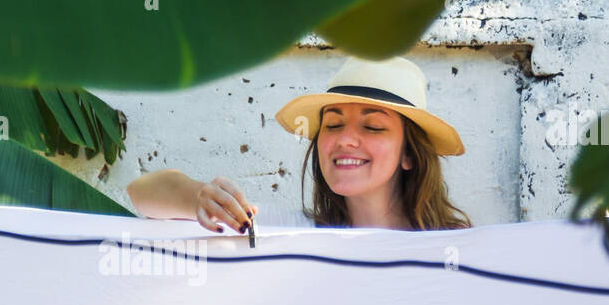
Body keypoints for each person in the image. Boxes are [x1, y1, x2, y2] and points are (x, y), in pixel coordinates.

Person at [126, 56, 472, 232]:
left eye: (373, 127)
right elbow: (142, 193)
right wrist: (199, 197)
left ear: (409, 153)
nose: (345, 139)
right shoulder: (290, 233)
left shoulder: (457, 252)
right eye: (333, 124)